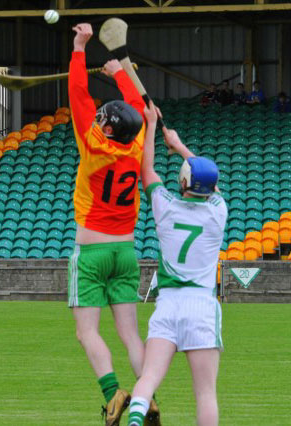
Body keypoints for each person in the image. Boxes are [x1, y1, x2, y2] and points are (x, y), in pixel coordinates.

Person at [68, 23, 160, 426]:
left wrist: (79, 48)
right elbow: (139, 108)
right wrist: (119, 72)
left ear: (105, 128)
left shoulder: (92, 143)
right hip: (126, 250)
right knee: (130, 335)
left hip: (90, 252)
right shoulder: (137, 142)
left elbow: (78, 95)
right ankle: (147, 398)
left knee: (87, 332)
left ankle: (113, 395)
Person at [127, 103, 227, 426]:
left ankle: (133, 421)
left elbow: (147, 171)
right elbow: (209, 182)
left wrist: (153, 126)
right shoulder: (217, 212)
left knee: (148, 379)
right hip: (201, 304)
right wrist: (182, 147)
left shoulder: (165, 206)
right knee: (205, 393)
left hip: (167, 305)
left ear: (183, 183)